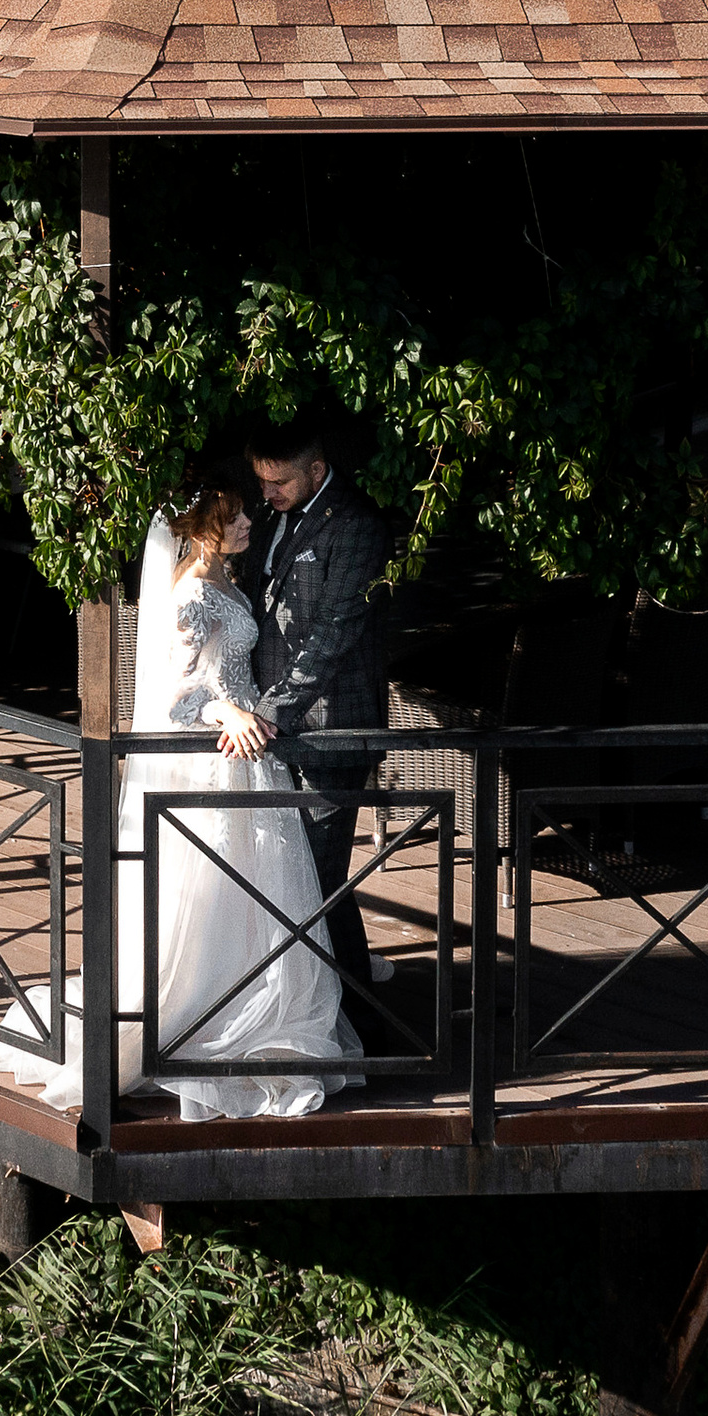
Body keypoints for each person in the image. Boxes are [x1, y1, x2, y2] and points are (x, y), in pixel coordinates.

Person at [0, 468, 360, 1121]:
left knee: (256, 893)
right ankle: (202, 1017)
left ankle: (256, 1007)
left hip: (248, 754)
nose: (248, 522)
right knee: (214, 891)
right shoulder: (191, 596)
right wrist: (228, 712)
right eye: (234, 517)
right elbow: (175, 701)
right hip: (220, 755)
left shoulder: (224, 580)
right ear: (204, 526)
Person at [243, 419, 393, 989]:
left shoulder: (357, 526)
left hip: (332, 726)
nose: (267, 493)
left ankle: (351, 1010)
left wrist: (270, 710)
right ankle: (339, 999)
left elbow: (334, 631)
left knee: (319, 875)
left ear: (317, 470)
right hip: (271, 730)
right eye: (262, 481)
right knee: (300, 875)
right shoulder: (269, 515)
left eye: (278, 482)